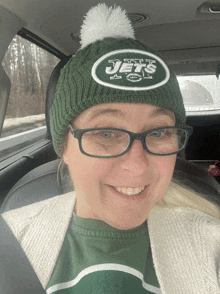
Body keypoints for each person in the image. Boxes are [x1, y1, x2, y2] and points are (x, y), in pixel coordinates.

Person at [2, 4, 220, 294]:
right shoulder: (10, 241)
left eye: (159, 132)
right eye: (106, 133)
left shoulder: (211, 244)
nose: (138, 166)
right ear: (63, 146)